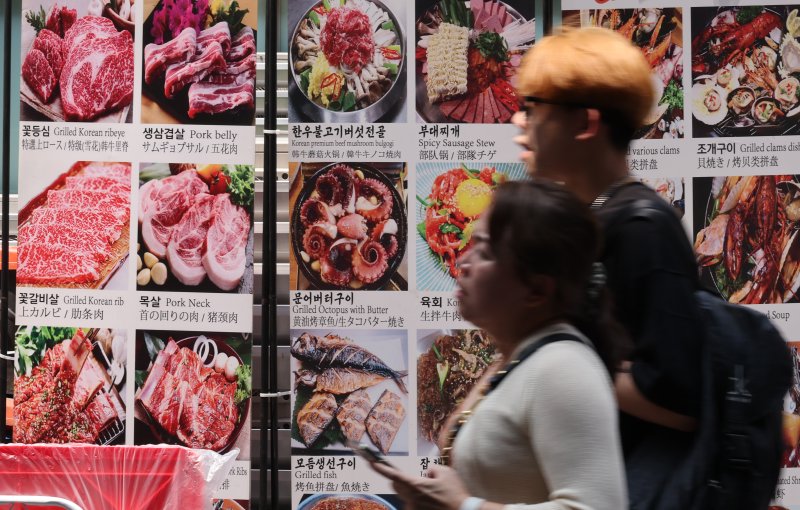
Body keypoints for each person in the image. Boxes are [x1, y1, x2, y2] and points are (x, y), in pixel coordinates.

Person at [512, 27, 703, 509]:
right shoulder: (597, 216)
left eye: (534, 107)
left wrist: (551, 357)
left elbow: (682, 399)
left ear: (586, 123)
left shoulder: (645, 227)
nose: (520, 121)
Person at [371, 180, 629, 510]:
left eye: (486, 252)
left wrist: (463, 506)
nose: (464, 263)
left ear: (537, 290)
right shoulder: (517, 356)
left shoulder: (564, 367)